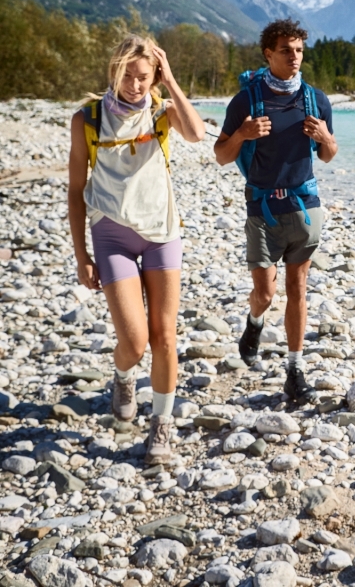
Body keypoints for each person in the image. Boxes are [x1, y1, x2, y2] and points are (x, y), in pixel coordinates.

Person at [68, 34, 206, 465]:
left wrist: (172, 83)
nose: (134, 85)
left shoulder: (162, 112)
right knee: (134, 340)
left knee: (165, 337)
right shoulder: (87, 119)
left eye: (144, 77)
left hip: (162, 232)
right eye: (128, 75)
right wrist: (81, 255)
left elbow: (198, 134)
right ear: (115, 70)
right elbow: (76, 189)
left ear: (155, 76)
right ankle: (123, 375)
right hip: (111, 235)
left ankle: (161, 426)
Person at [214, 18, 337, 404]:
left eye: (299, 50)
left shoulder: (316, 100)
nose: (295, 57)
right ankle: (254, 323)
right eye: (286, 50)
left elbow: (329, 155)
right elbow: (220, 155)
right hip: (263, 210)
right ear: (269, 54)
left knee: (298, 288)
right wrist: (242, 134)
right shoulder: (247, 101)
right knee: (265, 293)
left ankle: (294, 369)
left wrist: (325, 137)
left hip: (304, 206)